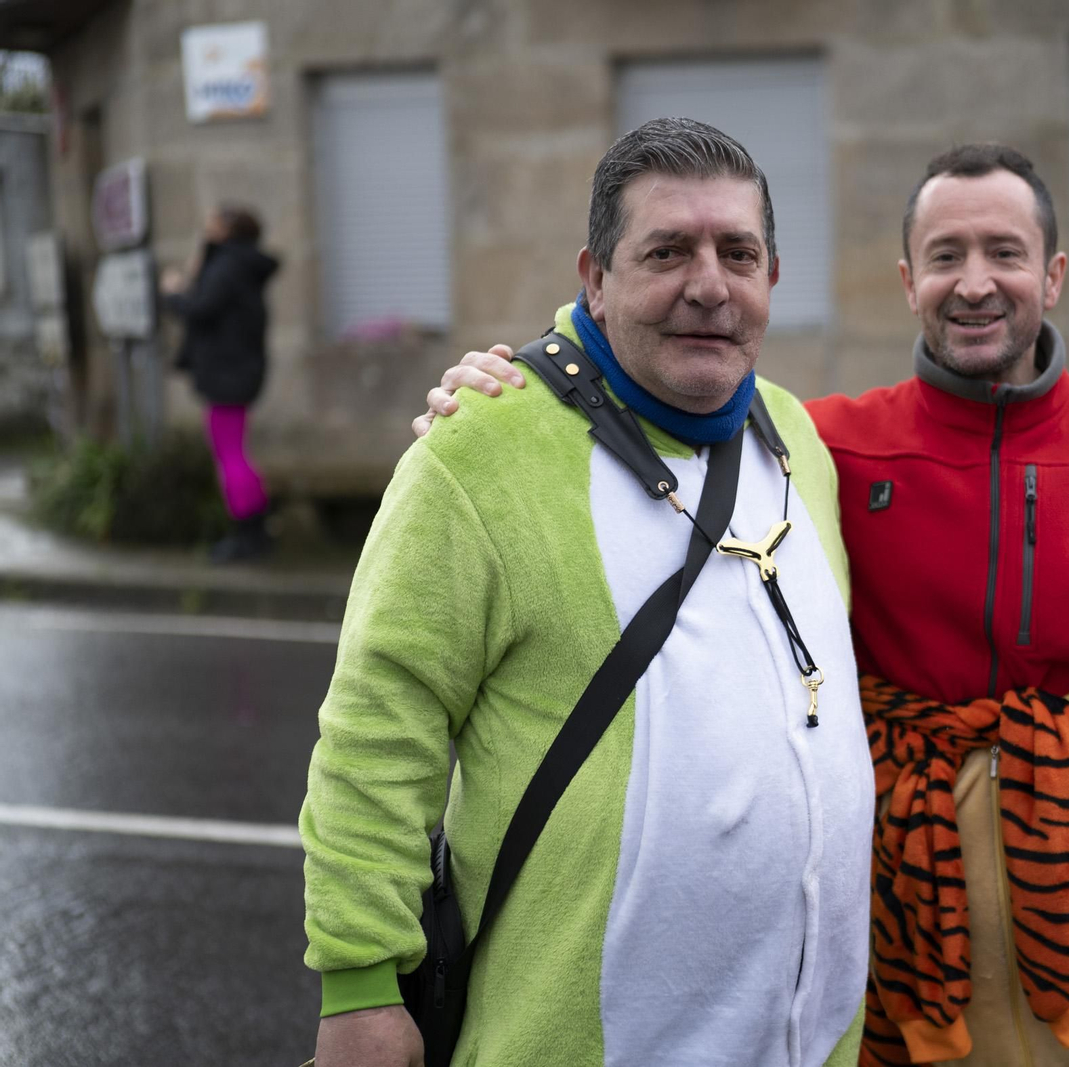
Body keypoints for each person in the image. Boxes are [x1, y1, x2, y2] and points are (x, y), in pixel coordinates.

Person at [418, 143, 1069, 1067]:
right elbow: (642, 403)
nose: (974, 283)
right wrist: (503, 391)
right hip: (894, 928)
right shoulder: (811, 449)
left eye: (1005, 253)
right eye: (945, 256)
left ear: (1053, 274)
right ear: (907, 280)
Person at [301, 118, 873, 1067]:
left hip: (805, 1042)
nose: (709, 284)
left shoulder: (796, 438)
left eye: (739, 252)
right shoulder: (477, 450)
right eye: (667, 252)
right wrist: (361, 986)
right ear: (595, 279)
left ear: (775, 276)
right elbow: (376, 726)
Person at [161, 204, 279, 562]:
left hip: (227, 374)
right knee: (234, 453)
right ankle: (256, 532)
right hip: (237, 371)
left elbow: (200, 310)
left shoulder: (226, 266)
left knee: (230, 455)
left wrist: (172, 292)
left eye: (214, 221)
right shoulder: (238, 264)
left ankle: (247, 537)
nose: (206, 225)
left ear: (228, 229)